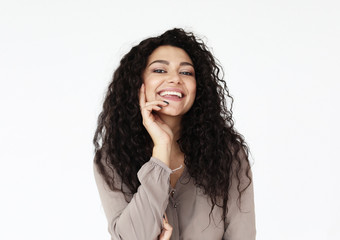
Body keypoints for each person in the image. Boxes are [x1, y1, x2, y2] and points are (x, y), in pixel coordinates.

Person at [93, 28, 256, 240]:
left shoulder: (228, 154)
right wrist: (161, 150)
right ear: (138, 82)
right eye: (160, 70)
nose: (175, 79)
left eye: (186, 72)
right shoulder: (112, 158)